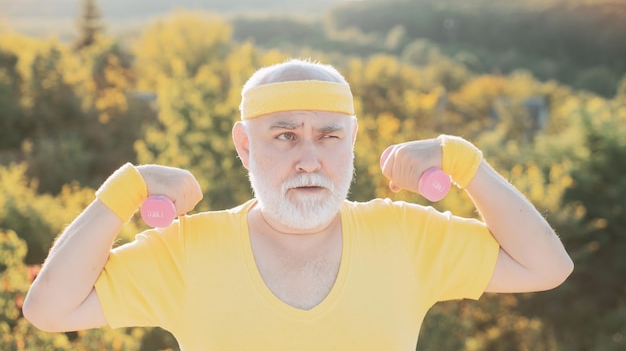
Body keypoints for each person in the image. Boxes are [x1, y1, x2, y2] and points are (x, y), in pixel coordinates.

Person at [23, 58, 573, 350]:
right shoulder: (188, 250)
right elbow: (49, 311)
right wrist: (126, 192)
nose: (309, 159)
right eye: (284, 135)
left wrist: (464, 161)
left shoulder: (406, 235)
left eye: (329, 136)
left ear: (351, 142)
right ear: (244, 145)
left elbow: (546, 266)